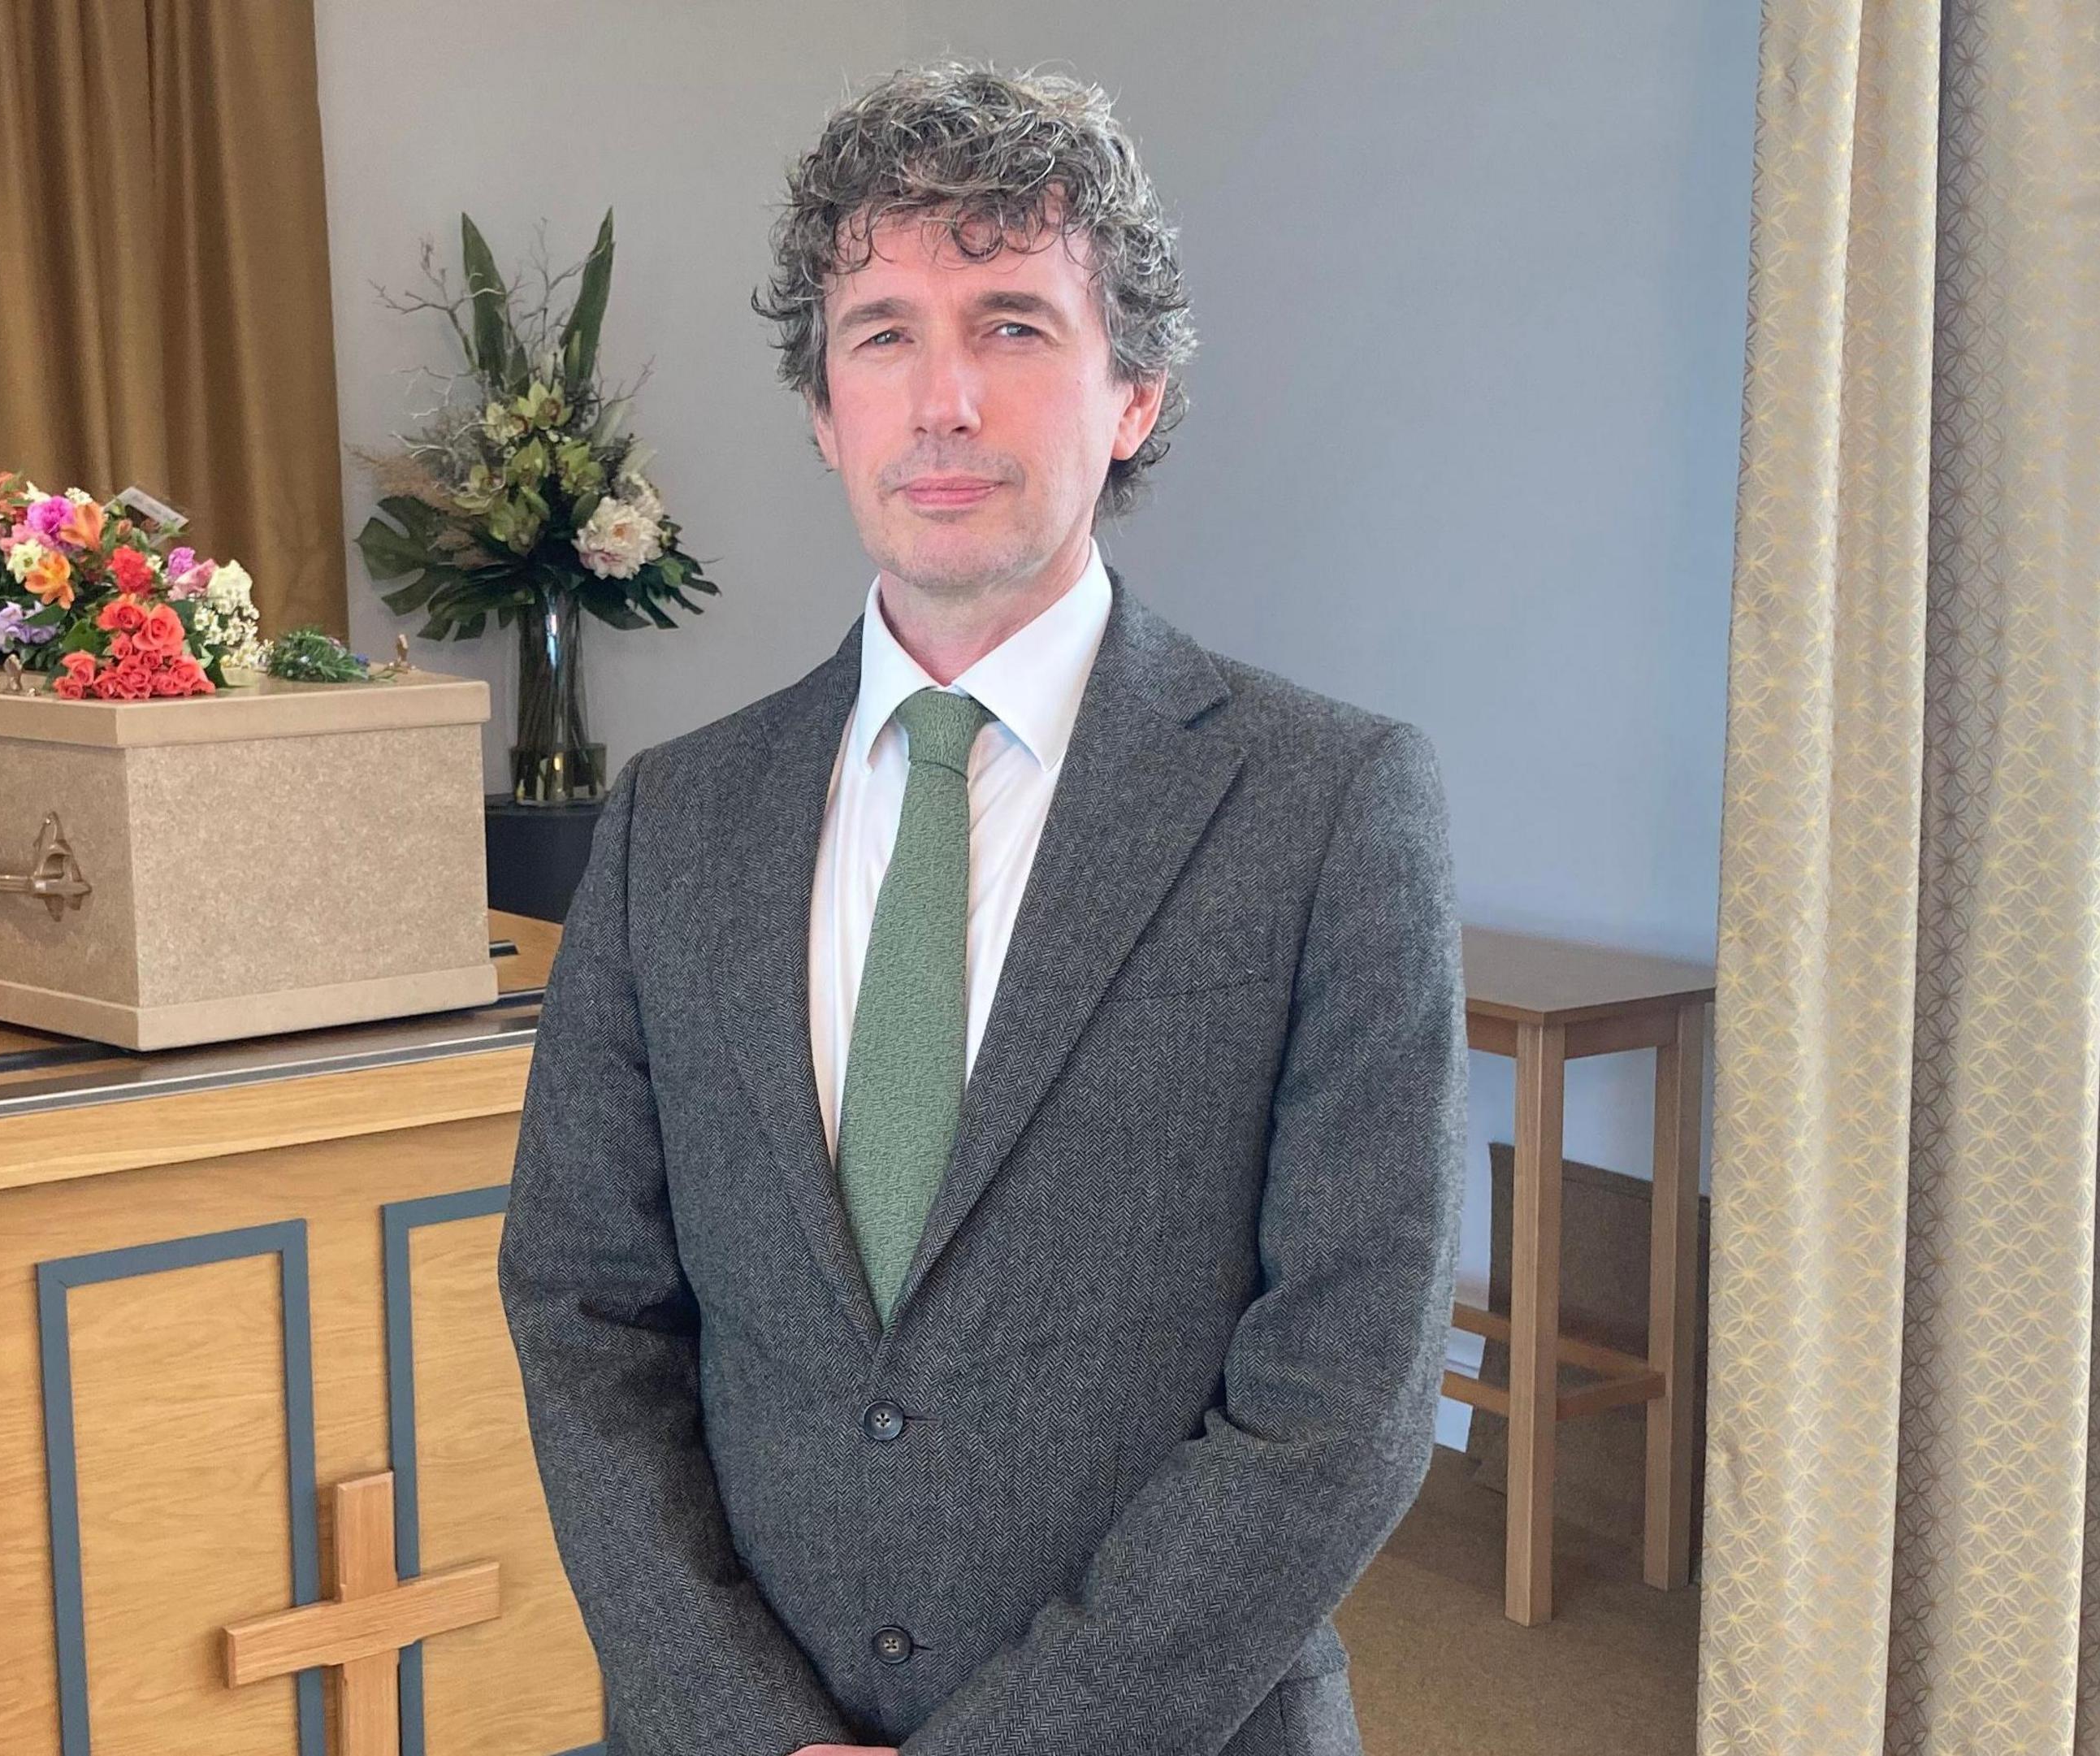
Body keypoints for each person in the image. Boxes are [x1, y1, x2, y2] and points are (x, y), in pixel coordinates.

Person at [498, 59, 1466, 1756]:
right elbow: (584, 1305)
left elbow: (1348, 1390)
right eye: (883, 331)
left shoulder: (1328, 807)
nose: (943, 398)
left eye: (1014, 323)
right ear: (825, 408)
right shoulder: (675, 822)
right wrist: (743, 1724)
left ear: (1134, 394)